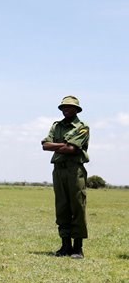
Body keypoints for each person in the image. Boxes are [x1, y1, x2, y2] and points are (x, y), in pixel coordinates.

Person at [41, 96, 90, 259]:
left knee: (77, 207)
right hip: (58, 170)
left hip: (74, 170)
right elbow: (45, 145)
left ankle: (78, 248)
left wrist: (60, 146)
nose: (66, 109)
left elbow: (72, 149)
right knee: (61, 207)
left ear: (77, 109)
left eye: (69, 107)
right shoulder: (56, 126)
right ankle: (65, 246)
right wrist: (65, 145)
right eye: (63, 107)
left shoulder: (82, 127)